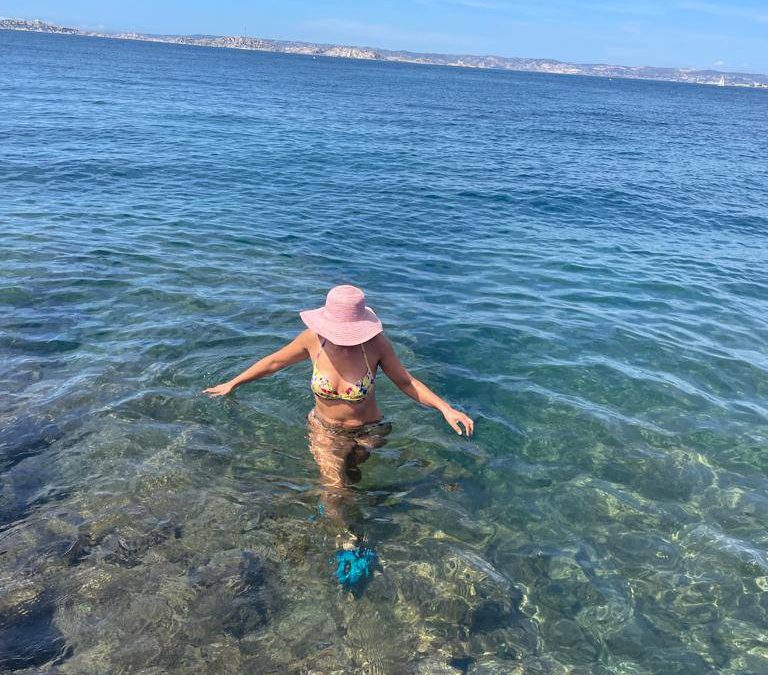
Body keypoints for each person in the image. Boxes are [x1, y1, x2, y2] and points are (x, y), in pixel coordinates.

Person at [203, 284, 474, 537]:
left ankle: (334, 509)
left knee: (351, 478)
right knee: (334, 487)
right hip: (324, 429)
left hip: (369, 430)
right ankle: (347, 540)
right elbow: (274, 362)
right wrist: (233, 382)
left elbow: (406, 381)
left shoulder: (377, 345)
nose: (344, 339)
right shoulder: (313, 340)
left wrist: (445, 408)